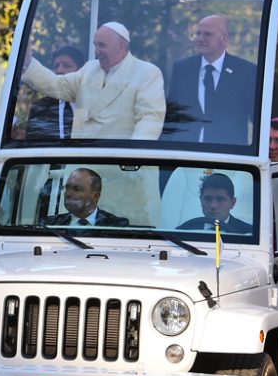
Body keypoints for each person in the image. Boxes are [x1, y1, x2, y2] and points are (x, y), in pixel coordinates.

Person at [20, 22, 165, 140]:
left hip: (122, 167)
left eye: (102, 45)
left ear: (121, 46)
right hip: (83, 162)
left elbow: (149, 120)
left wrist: (132, 156)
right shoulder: (90, 69)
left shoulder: (146, 73)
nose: (96, 51)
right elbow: (57, 85)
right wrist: (28, 63)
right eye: (95, 45)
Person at [164, 14, 256, 146]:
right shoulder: (182, 68)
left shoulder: (246, 71)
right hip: (185, 154)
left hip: (228, 156)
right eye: (198, 33)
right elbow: (172, 116)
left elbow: (256, 118)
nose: (200, 39)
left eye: (208, 34)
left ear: (224, 38)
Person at [25, 46, 85, 140]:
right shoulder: (40, 107)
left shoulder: (91, 104)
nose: (60, 70)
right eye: (55, 66)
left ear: (80, 71)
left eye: (67, 65)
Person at [43, 168, 129, 227]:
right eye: (67, 188)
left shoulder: (116, 225)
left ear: (95, 196)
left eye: (77, 189)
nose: (68, 194)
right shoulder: (50, 224)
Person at [177, 173, 252, 233]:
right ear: (201, 200)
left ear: (232, 203)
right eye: (207, 198)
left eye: (220, 199)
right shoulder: (183, 231)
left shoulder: (249, 233)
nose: (213, 206)